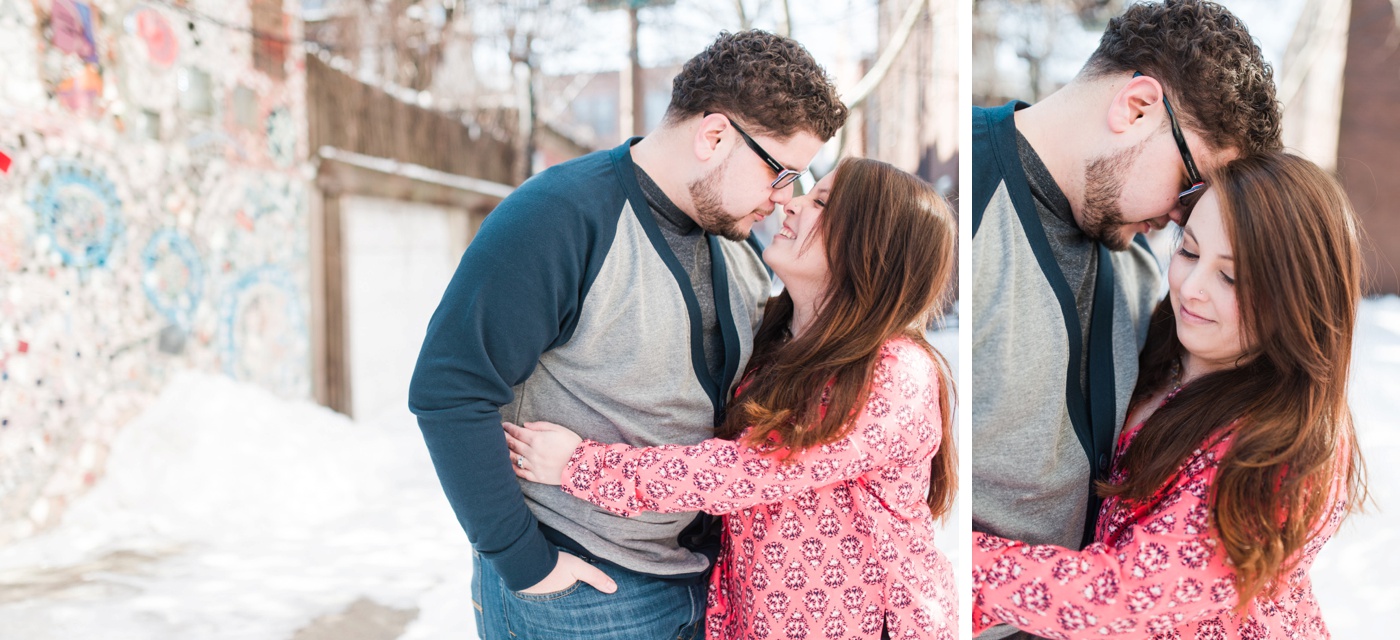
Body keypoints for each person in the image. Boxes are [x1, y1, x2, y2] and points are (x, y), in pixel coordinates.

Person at [407, 30, 847, 640]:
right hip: (581, 594)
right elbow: (449, 387)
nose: (784, 198)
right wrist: (524, 563)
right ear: (714, 136)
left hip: (702, 587)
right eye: (782, 172)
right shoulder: (559, 217)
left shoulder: (736, 242)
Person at [504, 158, 958, 640]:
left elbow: (747, 470)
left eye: (820, 201)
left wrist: (580, 466)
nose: (791, 202)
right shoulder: (776, 343)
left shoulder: (894, 372)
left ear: (871, 249)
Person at [971, 4, 1282, 636]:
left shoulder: (1145, 262)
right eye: (1193, 188)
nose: (1183, 220)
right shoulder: (955, 204)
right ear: (1137, 106)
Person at [970, 152, 1367, 639]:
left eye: (1231, 277)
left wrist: (962, 564)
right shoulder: (1163, 342)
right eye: (1191, 252)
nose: (1191, 288)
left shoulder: (1283, 455)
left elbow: (1123, 595)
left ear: (1301, 299)